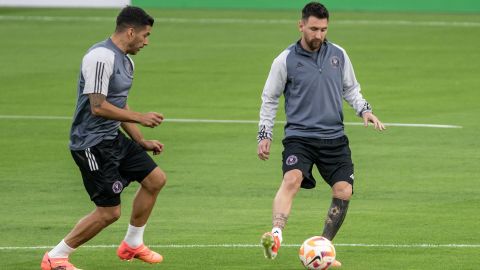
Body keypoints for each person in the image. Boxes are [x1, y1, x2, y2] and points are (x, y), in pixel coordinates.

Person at [257, 2, 386, 267]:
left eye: (323, 30)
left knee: (344, 190)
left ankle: (323, 248)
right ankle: (276, 236)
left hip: (334, 137)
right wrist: (264, 134)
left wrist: (365, 110)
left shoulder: (339, 55)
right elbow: (269, 99)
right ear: (301, 25)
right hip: (300, 137)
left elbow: (350, 88)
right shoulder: (285, 60)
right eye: (314, 28)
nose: (318, 35)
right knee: (291, 179)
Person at [41, 6, 167, 270]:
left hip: (113, 138)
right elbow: (98, 106)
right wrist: (141, 117)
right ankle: (56, 257)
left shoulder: (127, 60)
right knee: (109, 212)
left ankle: (133, 243)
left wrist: (140, 140)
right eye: (145, 35)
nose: (147, 41)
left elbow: (120, 106)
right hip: (91, 144)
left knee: (155, 180)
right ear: (130, 31)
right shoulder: (100, 57)